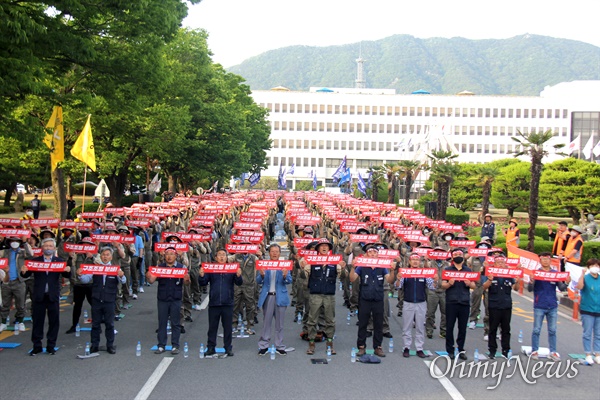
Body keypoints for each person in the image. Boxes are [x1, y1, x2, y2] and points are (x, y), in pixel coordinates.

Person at [21, 238, 71, 355]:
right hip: (39, 295)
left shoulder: (59, 261)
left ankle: (51, 345)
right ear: (42, 248)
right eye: (46, 246)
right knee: (38, 321)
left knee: (54, 321)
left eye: (50, 246)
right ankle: (37, 345)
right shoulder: (35, 261)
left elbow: (67, 274)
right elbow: (26, 274)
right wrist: (23, 271)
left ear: (54, 248)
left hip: (53, 295)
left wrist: (68, 269)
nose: (48, 248)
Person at [300, 238, 346, 355]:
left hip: (329, 295)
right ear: (318, 249)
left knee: (330, 321)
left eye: (326, 246)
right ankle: (311, 344)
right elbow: (303, 277)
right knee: (312, 320)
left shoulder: (335, 261)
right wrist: (301, 267)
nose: (324, 248)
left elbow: (343, 278)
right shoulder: (311, 261)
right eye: (321, 246)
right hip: (315, 294)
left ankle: (330, 344)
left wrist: (344, 268)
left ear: (329, 248)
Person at [350, 243, 395, 358]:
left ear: (378, 255)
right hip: (365, 298)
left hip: (378, 298)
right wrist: (352, 267)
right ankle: (361, 347)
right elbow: (352, 278)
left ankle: (378, 347)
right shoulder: (361, 266)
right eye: (370, 252)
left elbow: (389, 280)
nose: (372, 254)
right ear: (366, 254)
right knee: (363, 324)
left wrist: (393, 271)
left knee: (378, 324)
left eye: (375, 252)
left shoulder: (382, 267)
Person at [78, 247, 126, 354]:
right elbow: (85, 279)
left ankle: (110, 345)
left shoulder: (115, 269)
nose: (105, 257)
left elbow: (123, 281)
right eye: (103, 254)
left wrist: (121, 275)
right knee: (95, 324)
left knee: (109, 324)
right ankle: (94, 345)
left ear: (111, 256)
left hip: (109, 300)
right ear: (100, 256)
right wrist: (80, 274)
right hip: (96, 299)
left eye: (107, 254)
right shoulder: (95, 268)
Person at [199, 248, 243, 358]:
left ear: (227, 257)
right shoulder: (211, 268)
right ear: (216, 257)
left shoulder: (231, 268)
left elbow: (239, 283)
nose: (222, 257)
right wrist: (202, 276)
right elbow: (203, 283)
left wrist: (238, 275)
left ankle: (228, 347)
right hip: (214, 303)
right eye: (220, 255)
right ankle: (210, 347)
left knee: (227, 327)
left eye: (224, 255)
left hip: (227, 302)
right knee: (212, 327)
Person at [147, 247, 190, 355]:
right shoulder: (160, 267)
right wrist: (149, 275)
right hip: (163, 298)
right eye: (167, 254)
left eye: (172, 254)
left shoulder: (181, 267)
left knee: (175, 323)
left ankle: (175, 345)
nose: (169, 256)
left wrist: (187, 279)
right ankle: (161, 345)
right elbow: (151, 280)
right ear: (164, 256)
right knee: (162, 323)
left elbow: (186, 283)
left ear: (176, 256)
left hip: (175, 298)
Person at [528, 251, 570, 361]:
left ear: (550, 260)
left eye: (547, 259)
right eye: (543, 259)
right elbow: (530, 289)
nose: (545, 261)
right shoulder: (536, 273)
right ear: (540, 260)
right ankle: (534, 350)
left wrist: (566, 283)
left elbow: (561, 288)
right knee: (536, 330)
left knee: (552, 330)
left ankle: (553, 351)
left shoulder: (554, 273)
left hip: (552, 305)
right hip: (539, 305)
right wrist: (532, 281)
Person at [396, 253, 435, 358]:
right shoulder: (405, 273)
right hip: (408, 302)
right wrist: (399, 278)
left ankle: (419, 348)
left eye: (417, 260)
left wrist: (434, 278)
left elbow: (432, 287)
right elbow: (398, 286)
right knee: (406, 327)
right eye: (413, 259)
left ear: (420, 262)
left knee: (420, 327)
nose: (415, 261)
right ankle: (406, 347)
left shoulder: (424, 273)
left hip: (421, 303)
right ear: (409, 261)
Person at [482, 253, 520, 359]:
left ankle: (506, 350)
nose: (500, 264)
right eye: (498, 262)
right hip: (494, 305)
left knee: (506, 329)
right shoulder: (490, 273)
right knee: (492, 329)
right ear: (494, 264)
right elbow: (484, 287)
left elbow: (515, 288)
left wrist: (517, 282)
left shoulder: (509, 274)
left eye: (502, 262)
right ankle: (492, 350)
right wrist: (489, 280)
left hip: (507, 305)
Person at [257, 244, 293, 355]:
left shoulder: (284, 265)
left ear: (280, 253)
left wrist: (285, 275)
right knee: (266, 322)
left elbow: (289, 281)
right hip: (268, 296)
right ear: (269, 253)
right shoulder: (264, 264)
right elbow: (258, 281)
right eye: (272, 251)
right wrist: (262, 275)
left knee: (280, 324)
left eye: (276, 251)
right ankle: (264, 345)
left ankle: (279, 345)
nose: (274, 253)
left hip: (280, 296)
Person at [442, 249, 477, 360]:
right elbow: (443, 285)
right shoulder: (447, 270)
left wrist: (469, 283)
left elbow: (474, 286)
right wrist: (449, 284)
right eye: (455, 254)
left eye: (460, 254)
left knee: (462, 328)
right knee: (450, 326)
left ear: (463, 257)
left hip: (464, 302)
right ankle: (450, 350)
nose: (458, 256)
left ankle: (461, 349)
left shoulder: (468, 270)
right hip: (451, 301)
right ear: (452, 257)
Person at [0, 236, 32, 332]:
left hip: (19, 281)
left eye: (16, 241)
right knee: (5, 304)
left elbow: (31, 256)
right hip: (6, 281)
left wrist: (25, 243)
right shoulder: (5, 252)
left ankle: (20, 321)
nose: (14, 243)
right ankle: (3, 322)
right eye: (12, 241)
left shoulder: (22, 252)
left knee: (21, 303)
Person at [65, 237, 95, 334]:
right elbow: (69, 265)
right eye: (83, 244)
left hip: (91, 284)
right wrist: (70, 257)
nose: (85, 246)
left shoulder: (95, 255)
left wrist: (92, 258)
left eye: (88, 244)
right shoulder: (76, 255)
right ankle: (74, 325)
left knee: (94, 304)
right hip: (79, 284)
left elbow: (101, 265)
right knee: (77, 305)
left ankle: (96, 324)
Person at [576, 258, 600, 365]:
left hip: (598, 309)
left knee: (598, 334)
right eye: (592, 265)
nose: (595, 267)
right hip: (587, 309)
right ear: (589, 267)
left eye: (597, 265)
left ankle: (597, 354)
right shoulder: (585, 278)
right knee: (587, 333)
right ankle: (588, 354)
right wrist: (582, 274)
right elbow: (579, 287)